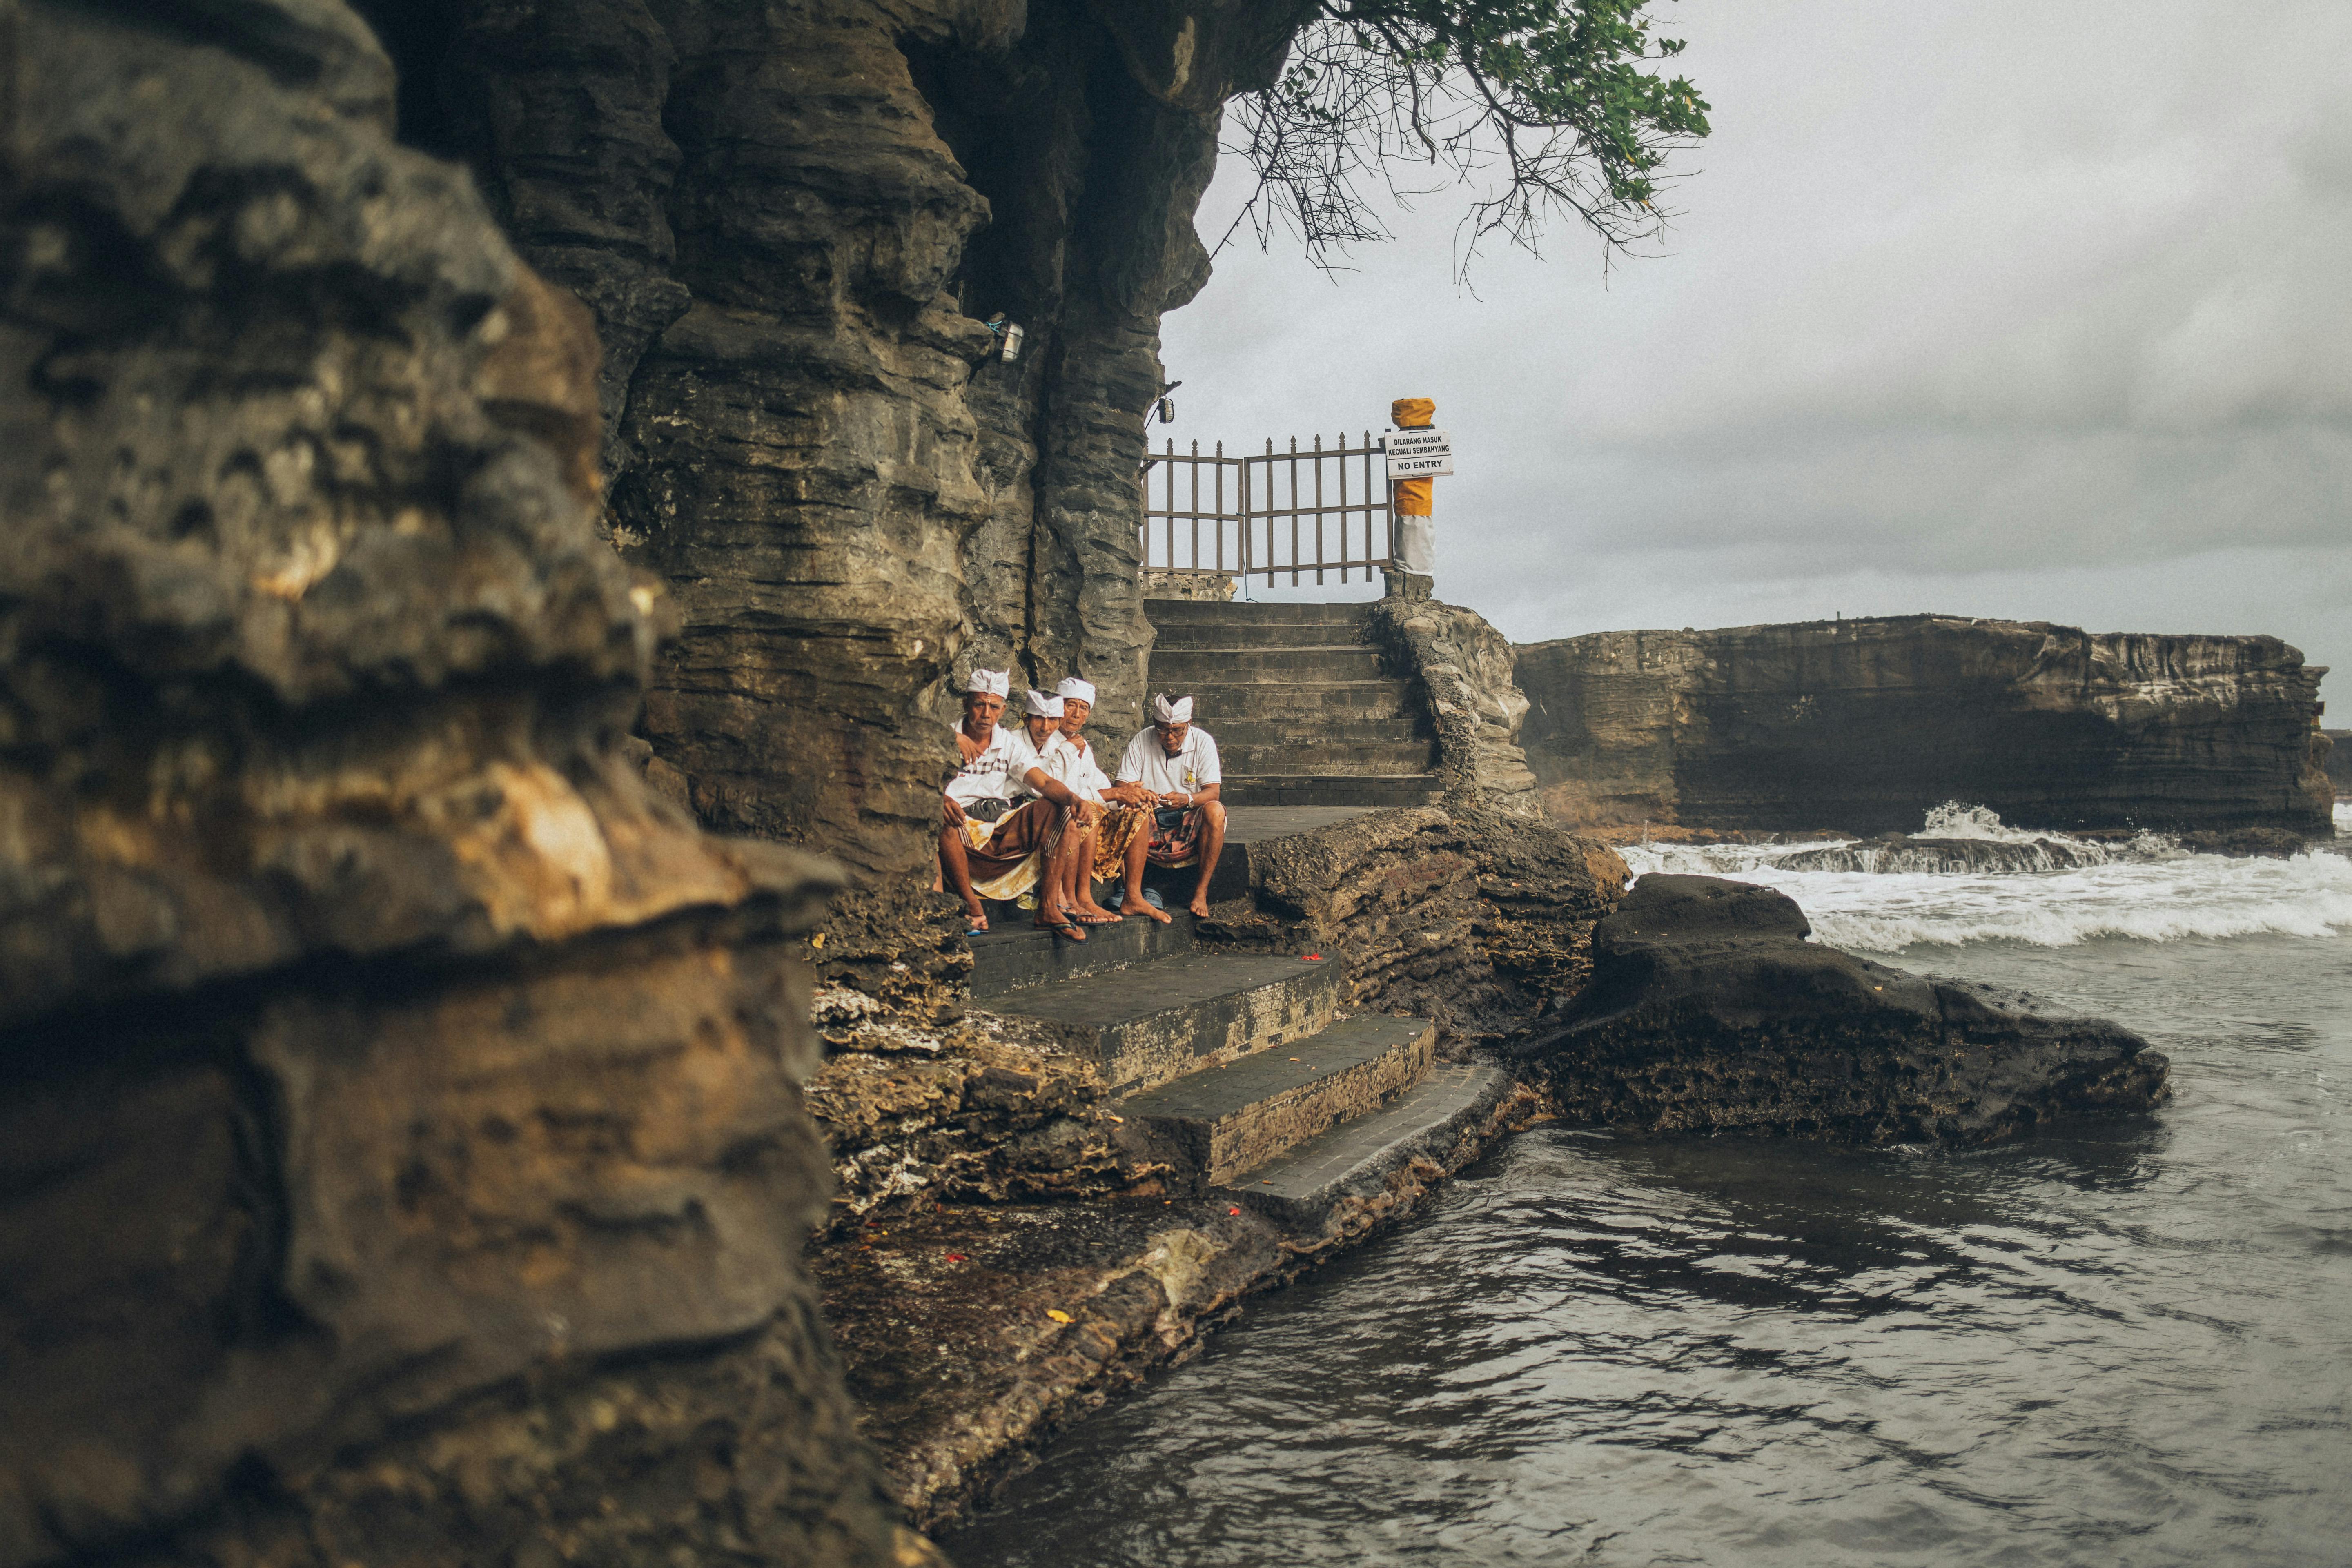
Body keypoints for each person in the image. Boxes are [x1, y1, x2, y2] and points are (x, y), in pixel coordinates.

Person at [937, 671, 1091, 939]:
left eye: (994, 707)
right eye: (979, 705)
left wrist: (1073, 799)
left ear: (1004, 709)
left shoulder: (1006, 742)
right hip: (959, 829)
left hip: (998, 827)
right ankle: (971, 905)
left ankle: (1047, 908)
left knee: (1055, 808)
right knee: (941, 816)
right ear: (966, 704)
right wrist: (940, 798)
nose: (986, 714)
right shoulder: (944, 736)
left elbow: (1043, 782)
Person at [1044, 677, 1165, 925]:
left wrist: (1129, 794)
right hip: (1057, 821)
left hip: (1084, 822)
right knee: (1090, 811)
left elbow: (1101, 786)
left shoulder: (1083, 746)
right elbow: (1059, 790)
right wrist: (1115, 794)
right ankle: (1083, 897)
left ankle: (1132, 896)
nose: (1076, 714)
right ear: (1057, 707)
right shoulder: (1046, 740)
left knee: (1138, 811)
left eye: (1083, 708)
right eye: (1070, 705)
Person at [1111, 693, 1226, 917]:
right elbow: (1121, 788)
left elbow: (1214, 792)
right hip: (1150, 818)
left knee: (1215, 811)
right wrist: (1141, 795)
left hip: (1187, 817)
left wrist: (1188, 799)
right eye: (1162, 730)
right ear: (1155, 723)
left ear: (1188, 724)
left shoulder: (1203, 742)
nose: (1170, 737)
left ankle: (1201, 891)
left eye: (1177, 731)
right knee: (1130, 810)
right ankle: (1130, 891)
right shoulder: (1141, 740)